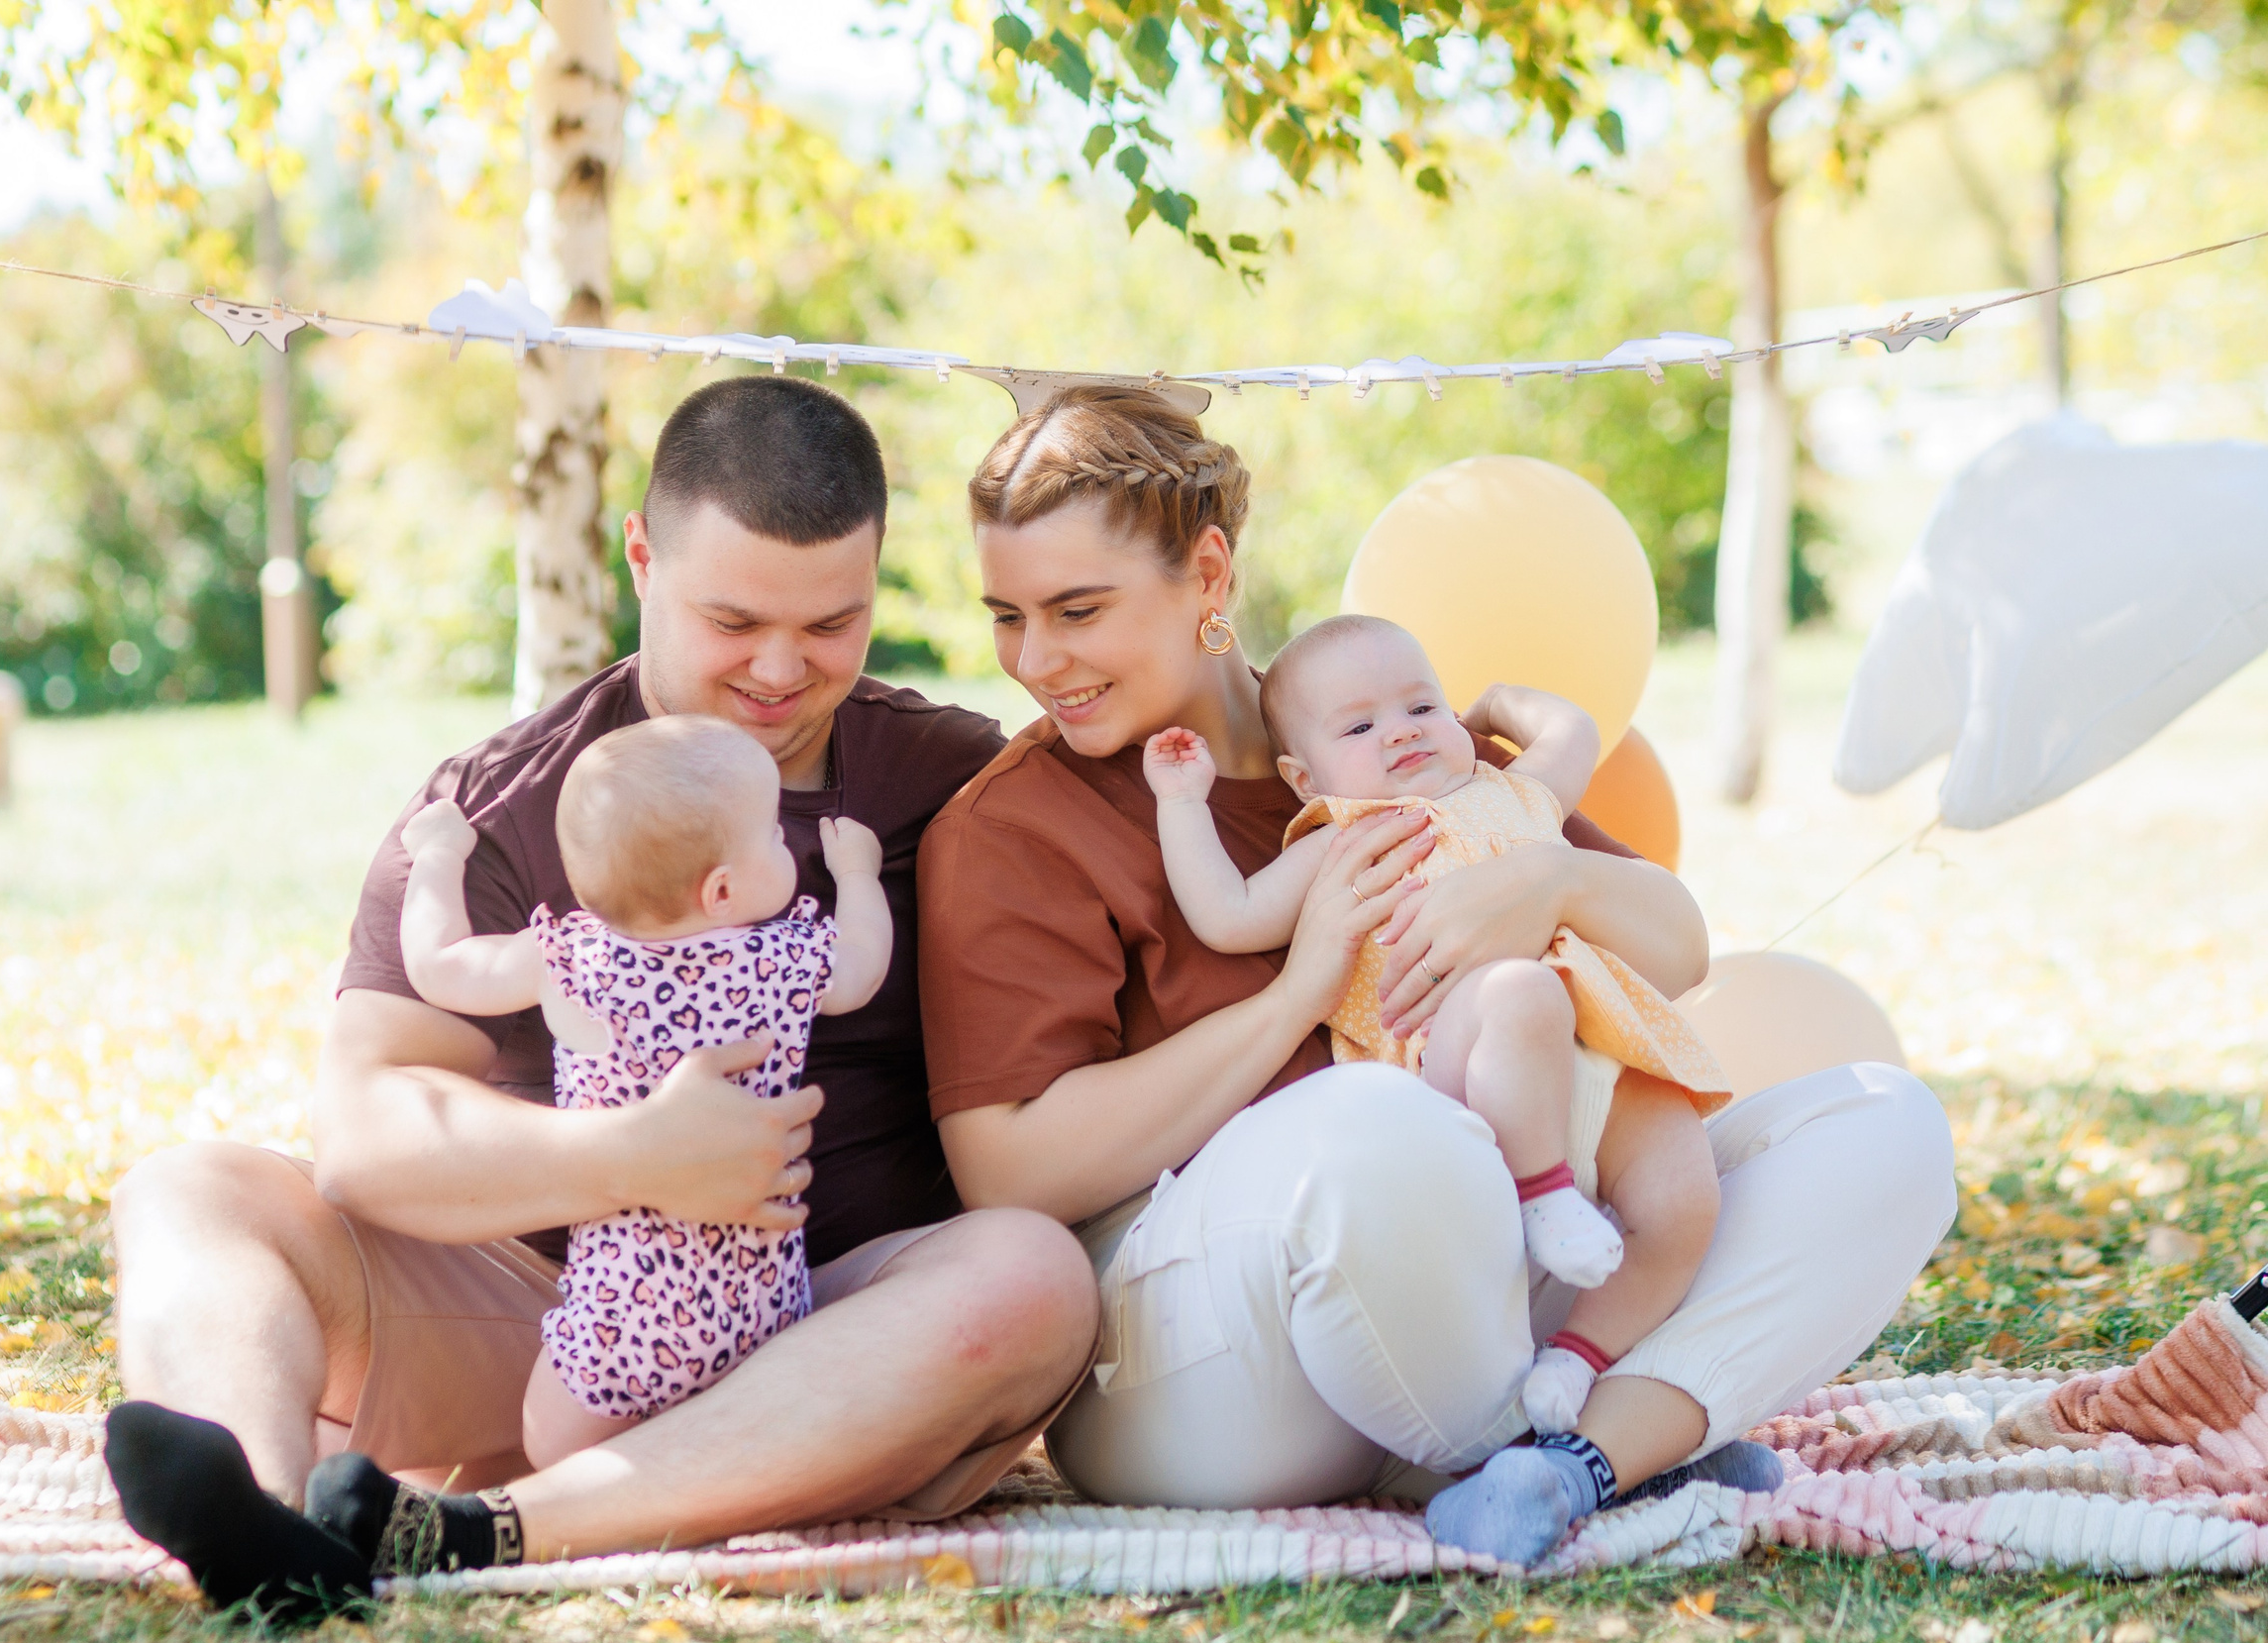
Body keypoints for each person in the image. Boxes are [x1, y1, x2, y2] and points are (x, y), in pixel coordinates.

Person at [103, 376, 1099, 1619]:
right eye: (732, 618)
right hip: (552, 1329)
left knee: (1032, 1279)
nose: (782, 670)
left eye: (832, 624)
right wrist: (636, 1157)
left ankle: (475, 1535)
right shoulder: (508, 801)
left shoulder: (953, 778)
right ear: (642, 555)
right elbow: (365, 1140)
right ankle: (260, 1522)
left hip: (827, 1336)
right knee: (186, 1190)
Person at [918, 384, 1957, 1568]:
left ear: (1208, 578)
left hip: (1495, 1280)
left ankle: (1565, 1462)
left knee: (1883, 1127)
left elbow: (1679, 949)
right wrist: (1296, 997)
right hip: (1214, 1366)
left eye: (1077, 609)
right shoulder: (1011, 830)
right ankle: (1644, 1436)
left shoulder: (1385, 731)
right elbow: (1010, 1170)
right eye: (1008, 615)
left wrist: (1548, 887)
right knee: (1379, 1126)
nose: (1035, 660)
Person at [1142, 613, 1730, 1438]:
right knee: (1521, 991)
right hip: (1452, 1058)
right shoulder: (1344, 838)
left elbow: (1574, 730)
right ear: (1303, 776)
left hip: (1593, 1049)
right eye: (1360, 724)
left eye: (1423, 707)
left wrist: (1492, 706)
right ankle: (1541, 1195)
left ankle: (1579, 1355)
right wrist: (1180, 803)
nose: (1401, 734)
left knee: (1685, 1200)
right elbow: (1228, 913)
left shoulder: (1519, 795)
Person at [389, 713, 891, 1469]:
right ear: (721, 890)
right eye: (776, 838)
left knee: (550, 1443)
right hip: (760, 1311)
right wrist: (858, 874)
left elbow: (440, 967)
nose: (788, 843)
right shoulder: (781, 958)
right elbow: (861, 966)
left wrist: (436, 859)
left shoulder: (572, 960)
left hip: (620, 1317)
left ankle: (595, 1501)